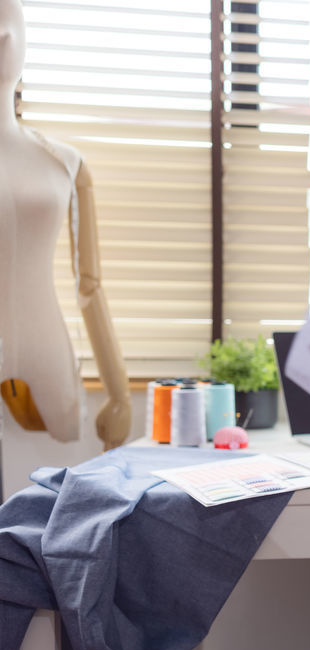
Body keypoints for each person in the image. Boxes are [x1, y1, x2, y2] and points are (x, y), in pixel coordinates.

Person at [0, 0, 130, 449]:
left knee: (51, 498)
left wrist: (119, 393)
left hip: (46, 347)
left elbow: (89, 284)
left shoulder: (64, 162)